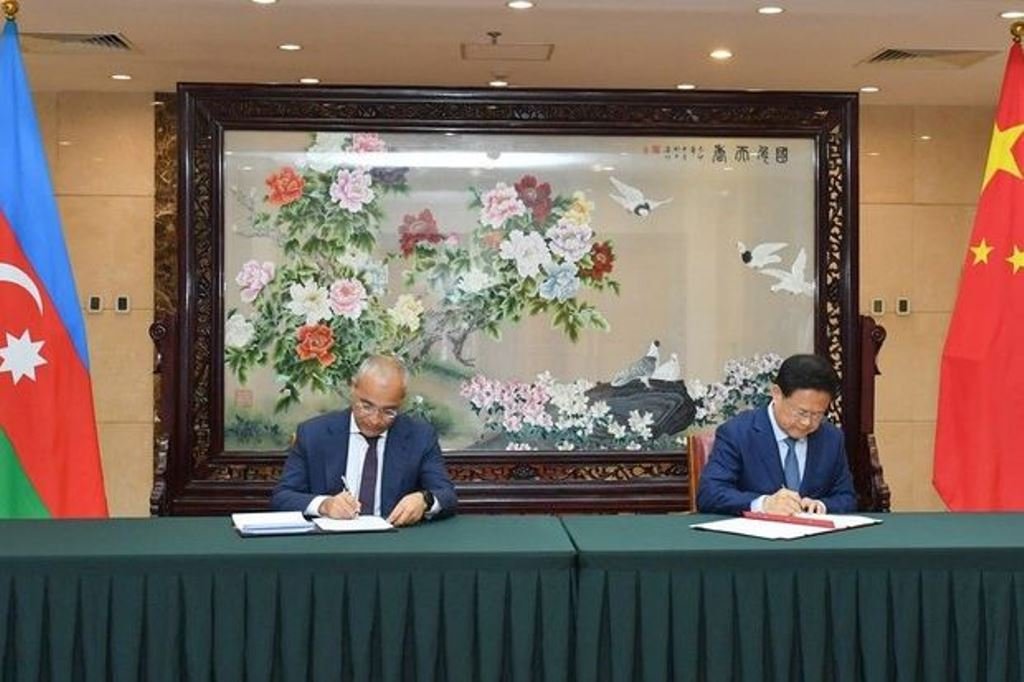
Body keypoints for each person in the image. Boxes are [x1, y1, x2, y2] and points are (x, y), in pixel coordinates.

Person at [271, 354, 457, 526]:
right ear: (353, 388)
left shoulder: (420, 437)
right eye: (366, 406)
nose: (375, 420)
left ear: (402, 401)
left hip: (394, 541)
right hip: (331, 543)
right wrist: (324, 505)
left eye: (389, 411)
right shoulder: (313, 434)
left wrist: (424, 500)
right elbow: (282, 497)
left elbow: (447, 495)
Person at [696, 353, 856, 516]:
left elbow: (846, 497)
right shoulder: (737, 433)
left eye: (817, 414)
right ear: (777, 394)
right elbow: (710, 494)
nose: (807, 422)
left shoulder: (831, 438)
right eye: (802, 412)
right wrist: (763, 504)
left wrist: (822, 505)